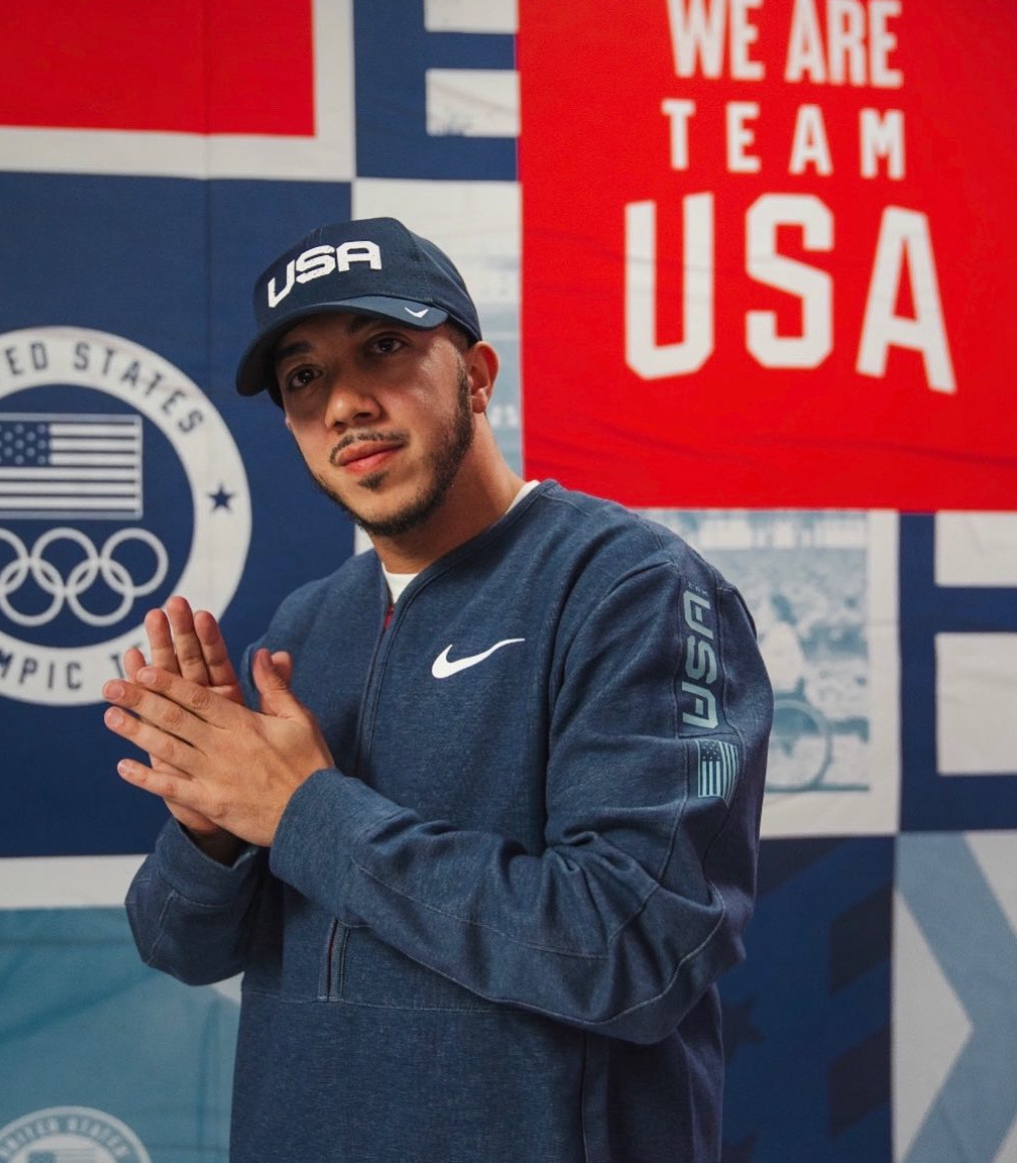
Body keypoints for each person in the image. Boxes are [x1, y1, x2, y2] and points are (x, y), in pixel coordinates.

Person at [104, 217, 772, 1163]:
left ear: (477, 374)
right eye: (304, 378)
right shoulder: (301, 627)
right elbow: (178, 943)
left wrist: (302, 811)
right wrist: (214, 827)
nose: (343, 403)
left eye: (383, 348)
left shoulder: (631, 588)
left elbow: (632, 950)